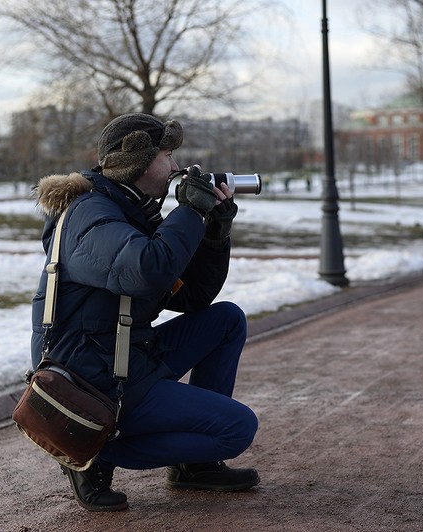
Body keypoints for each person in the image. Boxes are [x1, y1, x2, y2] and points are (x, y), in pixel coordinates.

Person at [30, 113, 260, 512]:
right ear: (135, 162)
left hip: (125, 356)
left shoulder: (129, 209)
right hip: (91, 383)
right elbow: (146, 271)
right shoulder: (91, 216)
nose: (175, 168)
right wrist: (188, 211)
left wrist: (213, 234)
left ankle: (195, 467)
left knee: (226, 320)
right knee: (237, 428)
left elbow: (191, 297)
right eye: (167, 155)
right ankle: (97, 447)